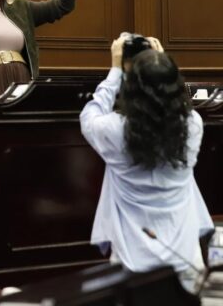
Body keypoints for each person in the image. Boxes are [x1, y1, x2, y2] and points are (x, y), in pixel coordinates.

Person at [79, 35, 213, 292]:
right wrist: (160, 62)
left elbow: (89, 115)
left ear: (131, 88)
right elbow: (177, 104)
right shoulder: (192, 125)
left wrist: (115, 69)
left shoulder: (114, 130)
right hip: (184, 257)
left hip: (132, 262)